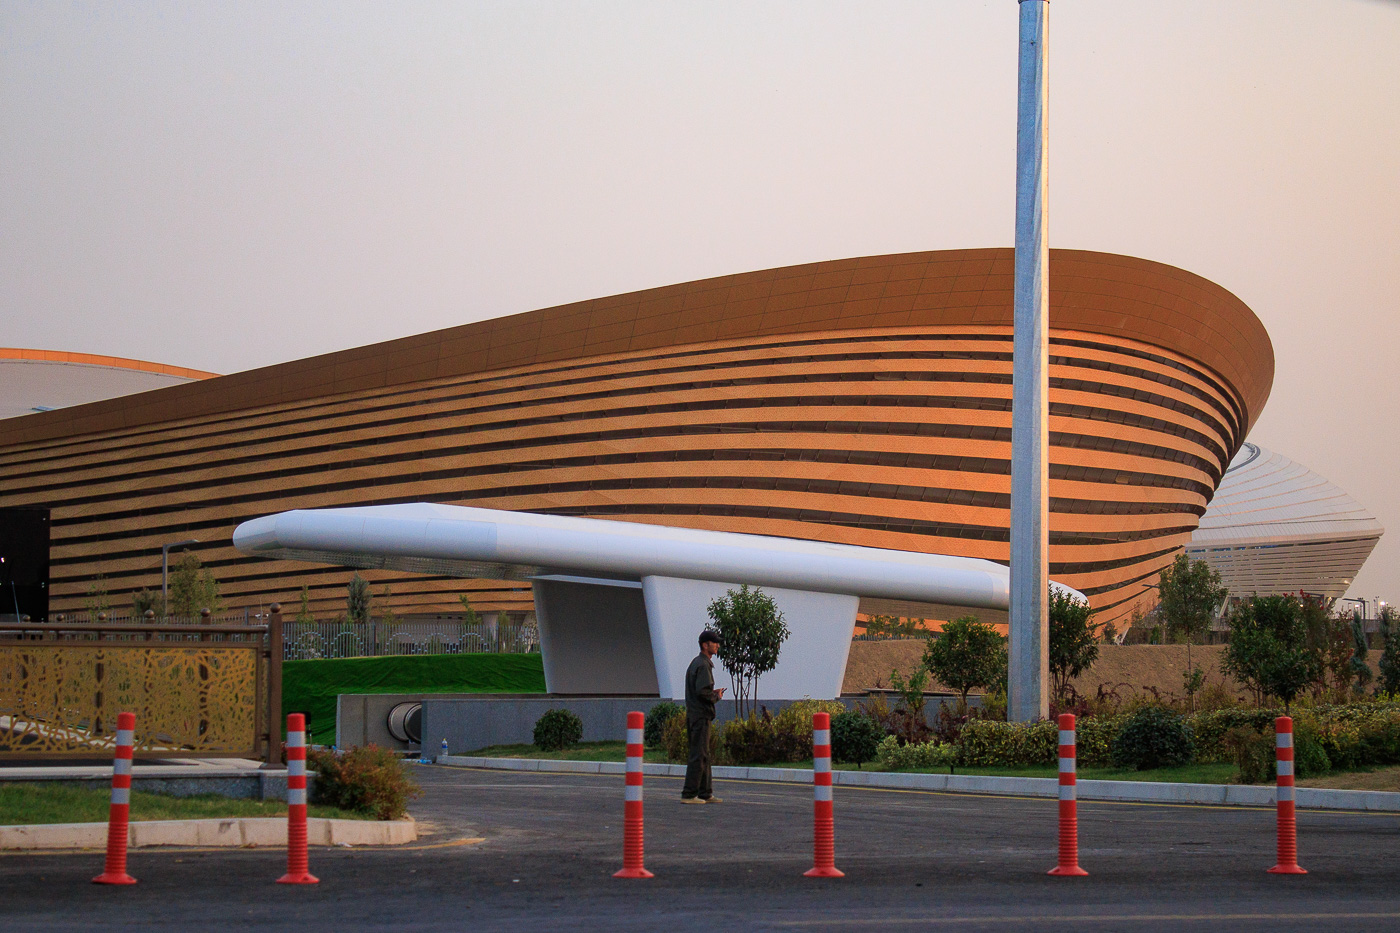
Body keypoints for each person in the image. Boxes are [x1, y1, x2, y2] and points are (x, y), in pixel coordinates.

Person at [681, 629, 726, 804]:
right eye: (714, 642)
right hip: (700, 716)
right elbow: (702, 692)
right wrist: (716, 696)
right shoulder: (703, 664)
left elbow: (700, 689)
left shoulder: (697, 663)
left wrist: (711, 692)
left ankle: (705, 793)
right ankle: (689, 794)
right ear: (705, 645)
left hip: (697, 715)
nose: (717, 645)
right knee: (698, 755)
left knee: (704, 754)